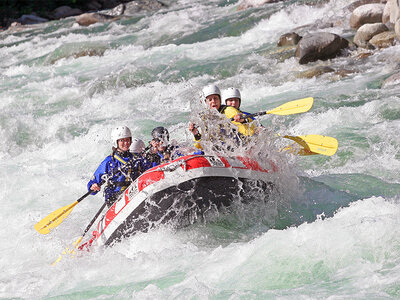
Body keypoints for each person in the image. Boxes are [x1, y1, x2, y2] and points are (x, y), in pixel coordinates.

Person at [87, 126, 150, 207]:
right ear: (116, 142)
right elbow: (93, 182)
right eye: (122, 140)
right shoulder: (109, 161)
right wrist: (93, 186)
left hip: (134, 192)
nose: (126, 143)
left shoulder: (136, 157)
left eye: (127, 139)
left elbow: (150, 168)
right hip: (115, 197)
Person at [188, 85, 256, 149]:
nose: (214, 101)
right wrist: (196, 133)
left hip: (239, 146)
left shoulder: (228, 110)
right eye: (210, 100)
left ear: (220, 100)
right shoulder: (203, 117)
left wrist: (241, 120)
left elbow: (248, 129)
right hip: (220, 148)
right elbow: (201, 147)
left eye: (215, 98)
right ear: (205, 102)